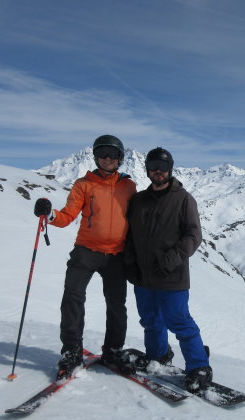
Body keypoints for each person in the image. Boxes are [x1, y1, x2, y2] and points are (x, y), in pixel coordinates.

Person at [33, 134, 137, 379]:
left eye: (113, 154)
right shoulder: (84, 184)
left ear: (120, 158)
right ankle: (71, 351)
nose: (108, 158)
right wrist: (49, 216)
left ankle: (113, 350)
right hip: (86, 250)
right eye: (103, 154)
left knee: (116, 305)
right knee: (72, 297)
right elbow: (67, 216)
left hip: (116, 255)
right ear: (96, 157)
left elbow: (138, 218)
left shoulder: (129, 186)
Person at [124, 147, 212, 393]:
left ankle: (199, 367)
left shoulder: (183, 199)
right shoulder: (139, 200)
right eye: (153, 166)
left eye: (162, 167)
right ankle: (158, 356)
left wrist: (172, 258)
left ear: (170, 169)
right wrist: (130, 262)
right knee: (150, 320)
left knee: (179, 321)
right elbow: (130, 235)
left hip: (172, 276)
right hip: (143, 276)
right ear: (147, 169)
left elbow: (194, 235)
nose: (158, 171)